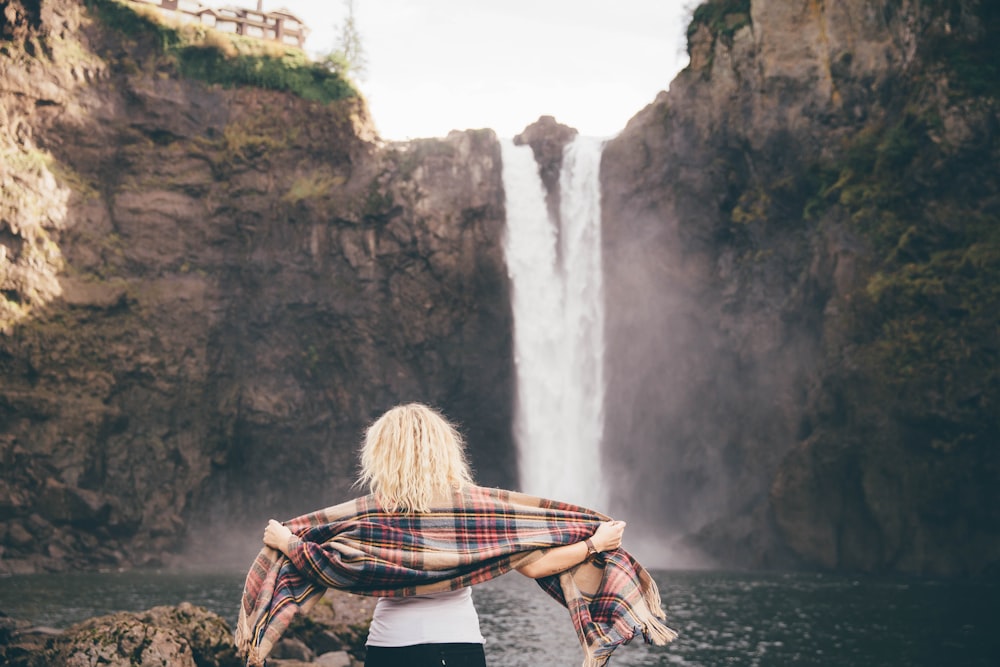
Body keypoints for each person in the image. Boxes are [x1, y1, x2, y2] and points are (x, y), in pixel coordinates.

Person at [237, 402, 675, 667]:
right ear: (446, 448)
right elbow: (536, 565)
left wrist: (287, 542)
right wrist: (594, 545)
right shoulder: (479, 509)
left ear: (380, 453)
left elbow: (340, 571)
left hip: (390, 649)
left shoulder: (371, 515)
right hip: (460, 648)